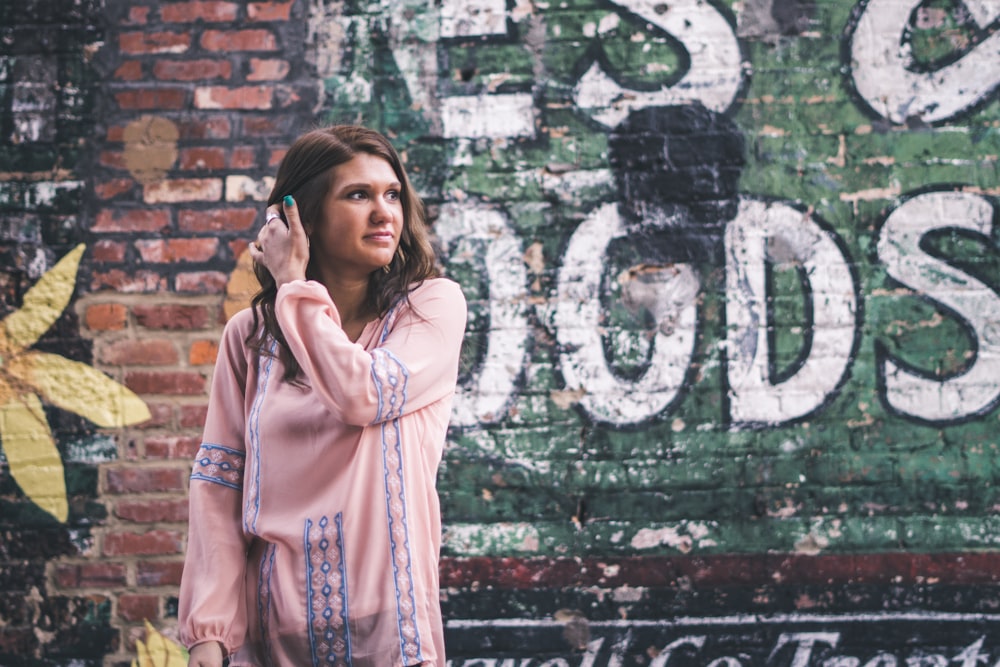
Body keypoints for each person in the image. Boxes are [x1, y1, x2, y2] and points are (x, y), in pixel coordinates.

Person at [178, 125, 468, 667]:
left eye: (392, 194)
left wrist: (293, 287)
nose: (384, 213)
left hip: (391, 632)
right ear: (299, 218)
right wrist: (208, 632)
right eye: (358, 195)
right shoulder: (251, 337)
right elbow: (219, 483)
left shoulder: (430, 309)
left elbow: (363, 394)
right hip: (268, 635)